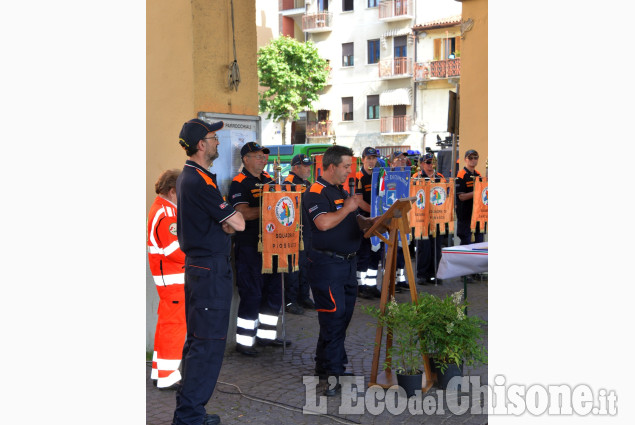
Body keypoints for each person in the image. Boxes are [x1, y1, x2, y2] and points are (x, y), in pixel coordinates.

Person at [172, 118, 246, 425]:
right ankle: (189, 416)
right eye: (213, 138)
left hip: (205, 267)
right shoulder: (198, 180)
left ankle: (190, 412)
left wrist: (227, 222)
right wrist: (229, 221)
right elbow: (237, 224)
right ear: (201, 145)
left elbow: (228, 224)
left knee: (200, 342)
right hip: (208, 269)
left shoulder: (196, 176)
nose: (217, 142)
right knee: (207, 345)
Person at [303, 145, 376, 396]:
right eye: (346, 166)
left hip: (347, 263)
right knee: (333, 317)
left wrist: (371, 224)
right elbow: (323, 223)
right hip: (326, 264)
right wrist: (348, 207)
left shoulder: (338, 190)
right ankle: (331, 376)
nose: (350, 171)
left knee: (340, 318)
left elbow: (348, 220)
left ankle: (326, 367)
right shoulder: (315, 191)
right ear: (332, 166)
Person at [229, 142, 291, 356]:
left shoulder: (268, 180)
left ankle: (267, 337)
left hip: (274, 244)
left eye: (264, 156)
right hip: (250, 247)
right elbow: (242, 213)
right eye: (257, 156)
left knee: (273, 293)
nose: (263, 159)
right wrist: (269, 208)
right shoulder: (239, 183)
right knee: (252, 294)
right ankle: (245, 342)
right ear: (245, 159)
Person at [147, 169, 187, 390]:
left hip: (169, 280)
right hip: (173, 280)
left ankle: (159, 371)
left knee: (166, 326)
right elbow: (175, 250)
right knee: (174, 326)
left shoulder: (161, 209)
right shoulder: (167, 214)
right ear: (172, 191)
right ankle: (168, 376)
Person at [282, 154, 316, 314]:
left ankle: (304, 297)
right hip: (294, 231)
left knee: (306, 265)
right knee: (293, 267)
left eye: (309, 166)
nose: (309, 169)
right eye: (305, 166)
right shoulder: (287, 184)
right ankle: (290, 300)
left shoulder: (306, 183)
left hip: (307, 231)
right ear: (296, 167)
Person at [414, 153, 446, 285]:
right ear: (422, 164)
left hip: (437, 217)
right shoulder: (417, 177)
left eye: (433, 162)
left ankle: (435, 274)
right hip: (422, 218)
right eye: (428, 162)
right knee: (424, 247)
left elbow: (446, 194)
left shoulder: (440, 177)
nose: (430, 165)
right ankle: (422, 274)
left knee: (436, 247)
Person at [354, 147, 382, 299]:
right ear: (363, 159)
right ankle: (360, 286)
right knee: (364, 254)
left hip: (377, 220)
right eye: (368, 158)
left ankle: (371, 285)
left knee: (375, 253)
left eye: (374, 158)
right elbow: (358, 201)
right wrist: (374, 213)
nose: (371, 161)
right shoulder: (359, 176)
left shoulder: (378, 176)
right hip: (365, 220)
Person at [455, 149, 484, 283]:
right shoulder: (461, 175)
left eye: (475, 157)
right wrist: (477, 191)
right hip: (465, 215)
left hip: (478, 215)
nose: (473, 160)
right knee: (466, 243)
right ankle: (464, 273)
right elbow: (461, 197)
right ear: (466, 159)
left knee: (478, 243)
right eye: (471, 157)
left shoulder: (478, 174)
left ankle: (476, 272)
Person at [390, 151, 411, 289]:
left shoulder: (408, 177)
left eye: (404, 159)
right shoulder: (387, 177)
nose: (403, 161)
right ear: (392, 163)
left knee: (403, 250)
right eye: (399, 159)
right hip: (391, 218)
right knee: (392, 252)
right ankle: (391, 280)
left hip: (404, 218)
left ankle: (400, 278)